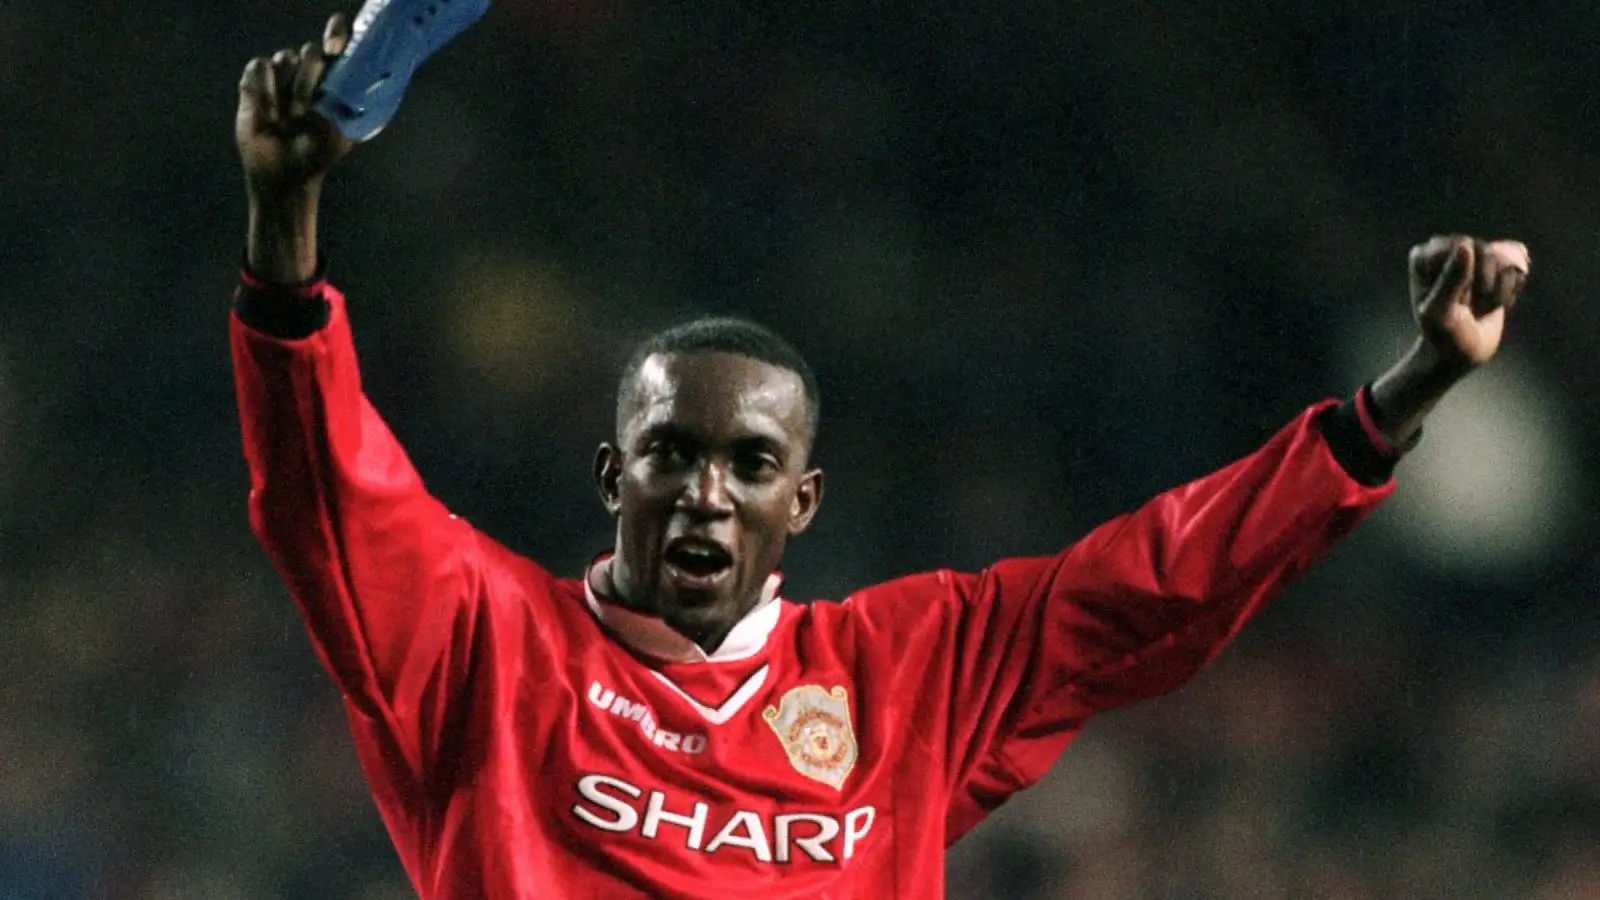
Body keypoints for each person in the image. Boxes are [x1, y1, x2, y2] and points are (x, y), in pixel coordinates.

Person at [230, 12, 1531, 900]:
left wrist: (1396, 400)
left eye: (748, 464)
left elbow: (1158, 583)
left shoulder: (908, 676)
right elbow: (326, 491)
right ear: (610, 476)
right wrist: (285, 221)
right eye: (667, 452)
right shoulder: (482, 644)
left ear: (802, 501)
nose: (703, 489)